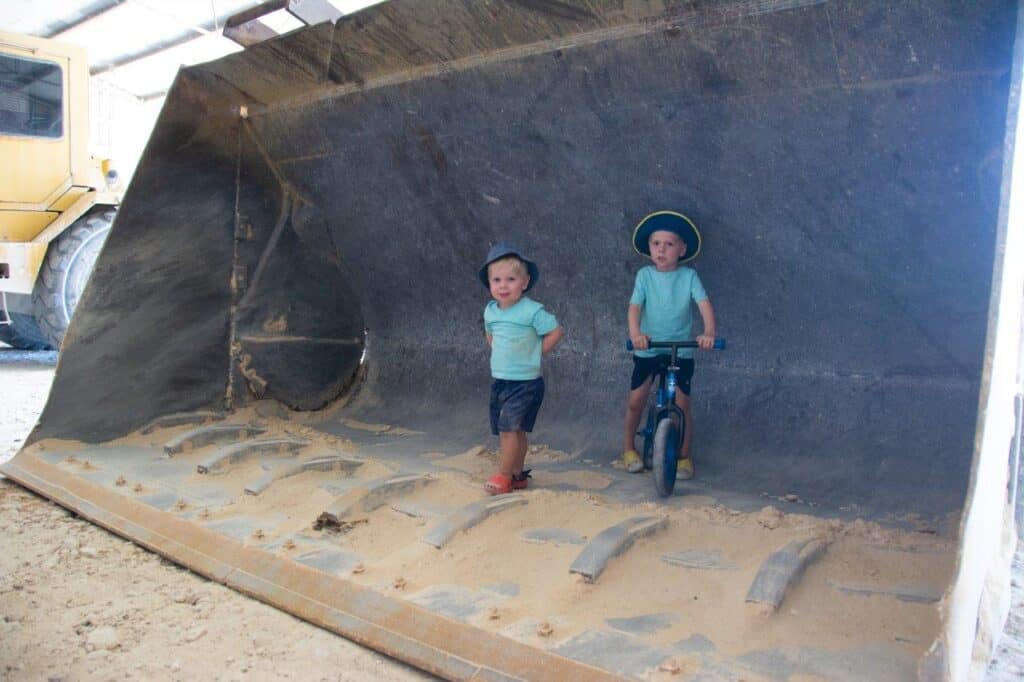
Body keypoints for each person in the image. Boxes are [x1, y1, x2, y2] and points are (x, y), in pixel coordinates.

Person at [622, 211, 717, 479]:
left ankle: (685, 456)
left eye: (669, 244)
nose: (661, 249)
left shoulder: (688, 277)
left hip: (681, 349)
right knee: (636, 400)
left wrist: (708, 332)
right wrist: (636, 333)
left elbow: (704, 304)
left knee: (683, 404)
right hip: (649, 348)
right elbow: (634, 307)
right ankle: (628, 448)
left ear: (682, 249)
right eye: (656, 244)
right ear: (649, 248)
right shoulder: (644, 276)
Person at [479, 243, 564, 495]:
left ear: (524, 282)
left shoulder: (531, 310)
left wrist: (537, 352)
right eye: (497, 280)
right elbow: (490, 333)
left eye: (511, 279)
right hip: (501, 381)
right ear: (489, 283)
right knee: (514, 430)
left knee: (508, 430)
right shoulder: (491, 311)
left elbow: (556, 331)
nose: (503, 286)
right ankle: (517, 475)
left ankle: (504, 476)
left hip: (525, 383)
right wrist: (499, 352)